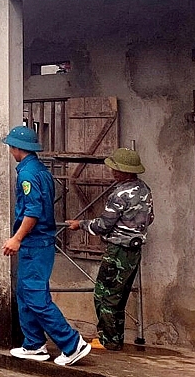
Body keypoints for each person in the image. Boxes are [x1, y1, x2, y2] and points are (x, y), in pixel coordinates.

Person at [2, 125, 91, 366]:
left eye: (11, 146)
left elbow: (33, 211)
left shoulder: (27, 175)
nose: (10, 150)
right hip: (41, 241)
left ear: (17, 148)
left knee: (35, 295)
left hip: (34, 242)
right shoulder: (41, 171)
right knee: (25, 293)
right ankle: (34, 344)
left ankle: (72, 344)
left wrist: (17, 238)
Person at [66, 148, 154, 351]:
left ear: (124, 171)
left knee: (104, 294)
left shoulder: (119, 194)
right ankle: (116, 338)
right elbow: (150, 218)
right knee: (119, 295)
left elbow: (103, 225)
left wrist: (80, 224)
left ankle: (109, 340)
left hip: (117, 250)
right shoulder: (144, 189)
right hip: (134, 250)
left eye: (116, 168)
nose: (112, 172)